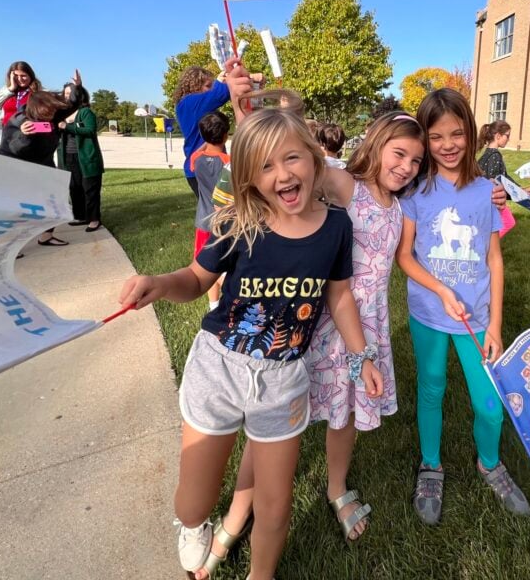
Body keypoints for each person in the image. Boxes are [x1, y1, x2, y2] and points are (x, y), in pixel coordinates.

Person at [117, 104, 382, 580]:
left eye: (292, 158)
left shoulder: (337, 226)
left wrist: (362, 356)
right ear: (249, 178)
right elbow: (197, 280)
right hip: (218, 369)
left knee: (276, 508)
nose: (282, 174)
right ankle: (195, 524)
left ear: (314, 159)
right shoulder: (240, 222)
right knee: (193, 501)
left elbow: (339, 298)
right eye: (265, 166)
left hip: (283, 380)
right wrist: (158, 283)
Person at [395, 88, 530, 525]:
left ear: (471, 134)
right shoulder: (415, 190)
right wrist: (441, 290)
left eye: (457, 134)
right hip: (429, 315)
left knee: (490, 403)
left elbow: (494, 258)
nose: (448, 144)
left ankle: (489, 463)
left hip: (477, 320)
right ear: (424, 139)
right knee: (431, 388)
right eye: (436, 137)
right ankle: (430, 464)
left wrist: (495, 324)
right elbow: (405, 255)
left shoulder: (487, 191)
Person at [304, 112, 425, 541]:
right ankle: (256, 486)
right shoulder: (345, 185)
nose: (407, 166)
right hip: (326, 317)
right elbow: (298, 165)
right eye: (399, 153)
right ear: (375, 143)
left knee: (347, 412)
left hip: (370, 327)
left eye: (415, 159)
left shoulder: (402, 209)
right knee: (287, 402)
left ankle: (336, 487)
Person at [0, 89, 74, 246]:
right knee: (16, 208)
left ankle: (46, 236)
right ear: (37, 109)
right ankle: (6, 244)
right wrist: (24, 135)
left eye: (53, 111)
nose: (51, 115)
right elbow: (14, 149)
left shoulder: (53, 116)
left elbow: (73, 104)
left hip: (42, 165)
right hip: (15, 168)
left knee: (55, 200)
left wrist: (76, 88)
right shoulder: (18, 121)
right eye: (47, 112)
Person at [173, 56, 251, 197]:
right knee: (219, 211)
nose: (211, 90)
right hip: (205, 167)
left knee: (213, 211)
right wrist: (246, 79)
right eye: (208, 86)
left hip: (201, 167)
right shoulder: (191, 103)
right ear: (195, 86)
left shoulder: (187, 105)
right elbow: (224, 91)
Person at [188, 110, 231, 311]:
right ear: (225, 135)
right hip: (225, 222)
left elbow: (202, 149)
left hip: (203, 222)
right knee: (225, 267)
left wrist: (208, 137)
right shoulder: (229, 163)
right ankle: (231, 288)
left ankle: (213, 306)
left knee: (206, 265)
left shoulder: (195, 159)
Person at [57, 84, 104, 232]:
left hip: (86, 157)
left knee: (89, 189)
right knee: (74, 188)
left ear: (78, 95)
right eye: (65, 93)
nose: (67, 96)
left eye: (70, 93)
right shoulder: (62, 113)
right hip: (68, 157)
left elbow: (90, 131)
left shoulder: (85, 112)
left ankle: (94, 219)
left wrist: (68, 127)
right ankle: (81, 216)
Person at [0, 62, 53, 147]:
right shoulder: (7, 91)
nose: (20, 79)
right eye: (16, 76)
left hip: (29, 140)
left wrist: (32, 127)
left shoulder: (41, 92)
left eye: (23, 76)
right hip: (7, 137)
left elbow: (48, 122)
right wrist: (11, 88)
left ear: (30, 75)